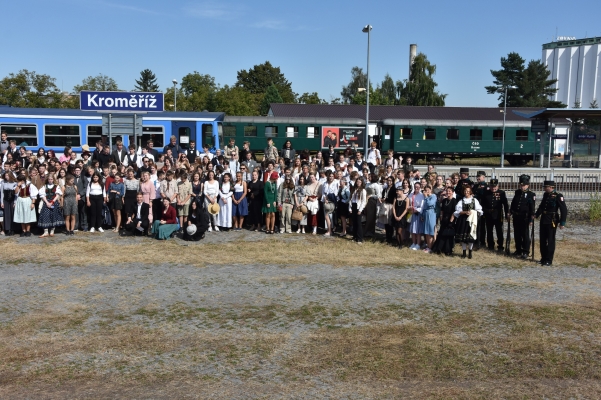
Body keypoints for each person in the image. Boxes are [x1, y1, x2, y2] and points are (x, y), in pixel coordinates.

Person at [535, 180, 568, 266]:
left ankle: (549, 259)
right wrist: (536, 215)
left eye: (546, 187)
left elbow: (563, 209)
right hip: (544, 218)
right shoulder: (546, 195)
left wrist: (562, 222)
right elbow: (542, 206)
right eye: (544, 187)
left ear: (551, 187)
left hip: (552, 220)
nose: (545, 189)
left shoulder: (558, 196)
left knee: (550, 240)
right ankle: (543, 258)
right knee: (542, 239)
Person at [509, 174, 536, 259]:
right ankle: (518, 249)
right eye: (521, 185)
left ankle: (525, 251)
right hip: (516, 216)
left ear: (527, 185)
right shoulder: (517, 192)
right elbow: (513, 203)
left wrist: (531, 219)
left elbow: (532, 207)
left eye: (523, 185)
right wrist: (510, 212)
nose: (522, 187)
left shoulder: (531, 194)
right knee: (517, 234)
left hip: (525, 217)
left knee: (525, 235)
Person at [454, 186, 483, 259]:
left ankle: (470, 251)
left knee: (471, 236)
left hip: (472, 221)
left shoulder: (474, 200)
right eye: (465, 191)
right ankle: (464, 252)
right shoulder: (461, 201)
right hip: (463, 220)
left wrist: (473, 212)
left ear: (470, 192)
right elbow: (457, 211)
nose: (466, 192)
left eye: (468, 191)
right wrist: (465, 212)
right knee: (463, 237)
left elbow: (479, 210)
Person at [481, 178, 509, 251]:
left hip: (498, 215)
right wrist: (485, 211)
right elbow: (482, 204)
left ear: (497, 186)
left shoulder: (501, 193)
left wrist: (507, 214)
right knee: (489, 231)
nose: (493, 188)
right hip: (488, 214)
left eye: (495, 186)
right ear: (489, 186)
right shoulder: (486, 193)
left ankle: (500, 246)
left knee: (499, 231)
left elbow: (505, 204)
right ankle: (490, 245)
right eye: (492, 186)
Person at [432, 187, 457, 256]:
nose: (448, 192)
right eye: (447, 191)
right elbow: (442, 210)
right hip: (444, 219)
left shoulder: (454, 201)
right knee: (441, 234)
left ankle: (448, 250)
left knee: (448, 235)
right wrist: (441, 218)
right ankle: (439, 248)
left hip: (450, 219)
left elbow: (454, 211)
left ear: (452, 192)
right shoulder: (444, 200)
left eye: (449, 191)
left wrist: (451, 221)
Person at [472, 170, 488, 249]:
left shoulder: (485, 186)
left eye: (479, 176)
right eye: (477, 176)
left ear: (483, 177)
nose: (478, 178)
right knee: (475, 225)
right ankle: (475, 240)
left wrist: (475, 195)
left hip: (482, 208)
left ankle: (482, 241)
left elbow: (481, 195)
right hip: (475, 208)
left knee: (481, 226)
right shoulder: (475, 186)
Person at [321, 171, 338, 237]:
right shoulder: (325, 183)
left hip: (332, 202)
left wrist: (328, 198)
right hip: (325, 201)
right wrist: (325, 199)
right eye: (330, 176)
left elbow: (335, 193)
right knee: (326, 216)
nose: (331, 178)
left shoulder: (335, 183)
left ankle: (329, 230)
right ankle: (329, 230)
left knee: (328, 216)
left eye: (332, 176)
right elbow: (323, 192)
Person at [421, 185, 438, 253]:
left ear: (431, 190)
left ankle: (431, 247)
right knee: (426, 232)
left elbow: (430, 203)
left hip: (431, 213)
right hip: (426, 214)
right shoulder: (426, 197)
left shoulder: (433, 196)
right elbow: (424, 206)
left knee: (430, 231)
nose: (427, 191)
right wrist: (422, 215)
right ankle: (428, 246)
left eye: (428, 189)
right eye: (425, 190)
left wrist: (426, 197)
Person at [350, 176, 367, 244]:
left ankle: (360, 238)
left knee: (358, 223)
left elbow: (363, 201)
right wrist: (350, 208)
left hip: (358, 207)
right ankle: (355, 237)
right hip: (353, 206)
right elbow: (351, 199)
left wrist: (360, 210)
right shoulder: (354, 189)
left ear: (362, 183)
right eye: (357, 182)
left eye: (360, 182)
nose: (358, 183)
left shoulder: (363, 190)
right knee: (354, 222)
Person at [409, 182, 424, 250]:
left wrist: (416, 210)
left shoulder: (421, 195)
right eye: (415, 187)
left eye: (418, 187)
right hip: (411, 213)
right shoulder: (411, 194)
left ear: (420, 187)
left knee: (418, 230)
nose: (416, 188)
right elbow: (408, 202)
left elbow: (422, 206)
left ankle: (418, 244)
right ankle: (413, 243)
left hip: (418, 214)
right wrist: (409, 208)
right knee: (412, 229)